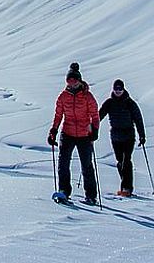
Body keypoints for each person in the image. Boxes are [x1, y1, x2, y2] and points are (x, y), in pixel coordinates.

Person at [48, 62, 101, 205]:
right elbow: (58, 115)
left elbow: (94, 116)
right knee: (63, 164)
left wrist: (94, 131)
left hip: (84, 134)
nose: (71, 83)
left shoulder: (87, 96)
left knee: (86, 165)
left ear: (79, 80)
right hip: (67, 133)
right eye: (69, 81)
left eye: (74, 81)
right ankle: (64, 191)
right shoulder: (63, 96)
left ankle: (91, 196)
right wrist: (54, 130)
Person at [97, 79, 147, 196]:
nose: (118, 91)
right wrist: (91, 128)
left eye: (120, 89)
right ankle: (125, 186)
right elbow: (99, 116)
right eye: (116, 89)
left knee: (126, 161)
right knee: (120, 162)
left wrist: (142, 136)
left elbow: (138, 119)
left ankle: (127, 188)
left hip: (128, 135)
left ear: (123, 89)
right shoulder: (109, 103)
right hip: (115, 136)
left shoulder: (130, 103)